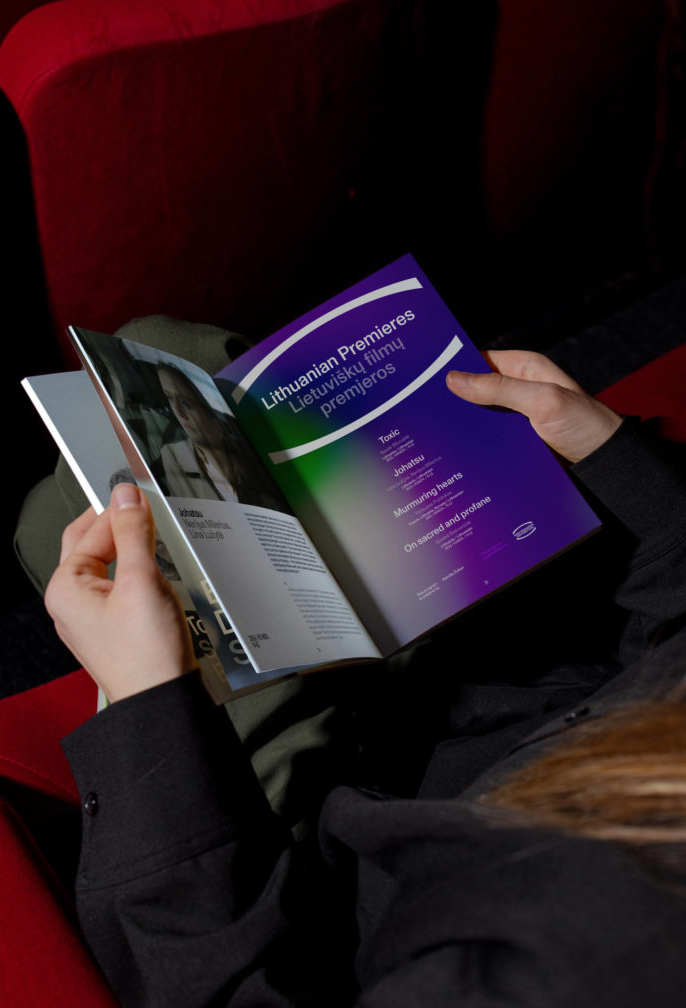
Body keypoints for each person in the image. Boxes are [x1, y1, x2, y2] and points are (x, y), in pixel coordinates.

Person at [44, 349, 686, 1006]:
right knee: (168, 353)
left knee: (61, 499)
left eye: (186, 409)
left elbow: (229, 986)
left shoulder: (574, 961)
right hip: (540, 669)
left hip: (314, 856)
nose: (181, 419)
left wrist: (149, 701)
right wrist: (611, 453)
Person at [156, 361, 289, 511]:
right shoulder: (173, 455)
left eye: (186, 403)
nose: (178, 413)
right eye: (169, 399)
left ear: (215, 419)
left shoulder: (248, 461)